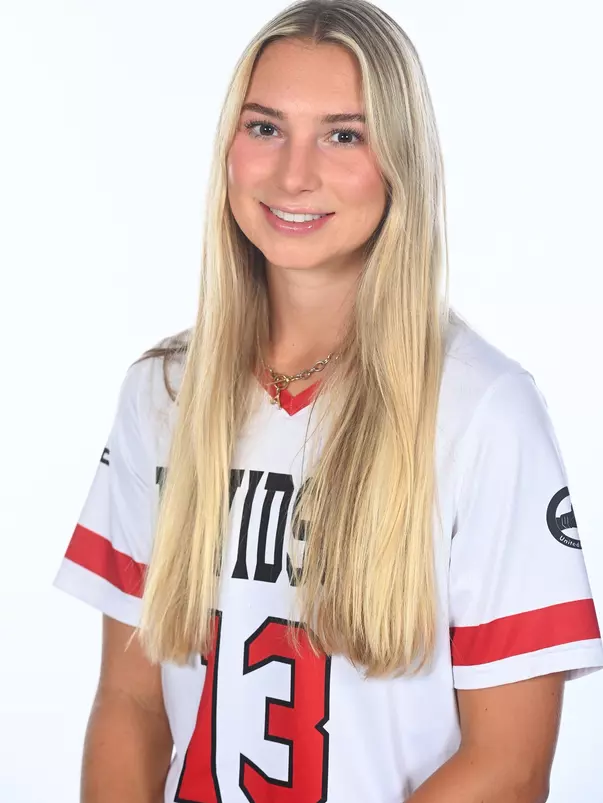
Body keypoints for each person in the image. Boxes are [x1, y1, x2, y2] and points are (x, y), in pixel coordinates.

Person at [53, 1, 603, 801]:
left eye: (344, 134)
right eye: (265, 127)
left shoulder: (483, 409)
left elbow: (509, 766)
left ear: (400, 161)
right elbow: (131, 700)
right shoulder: (163, 393)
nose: (292, 174)